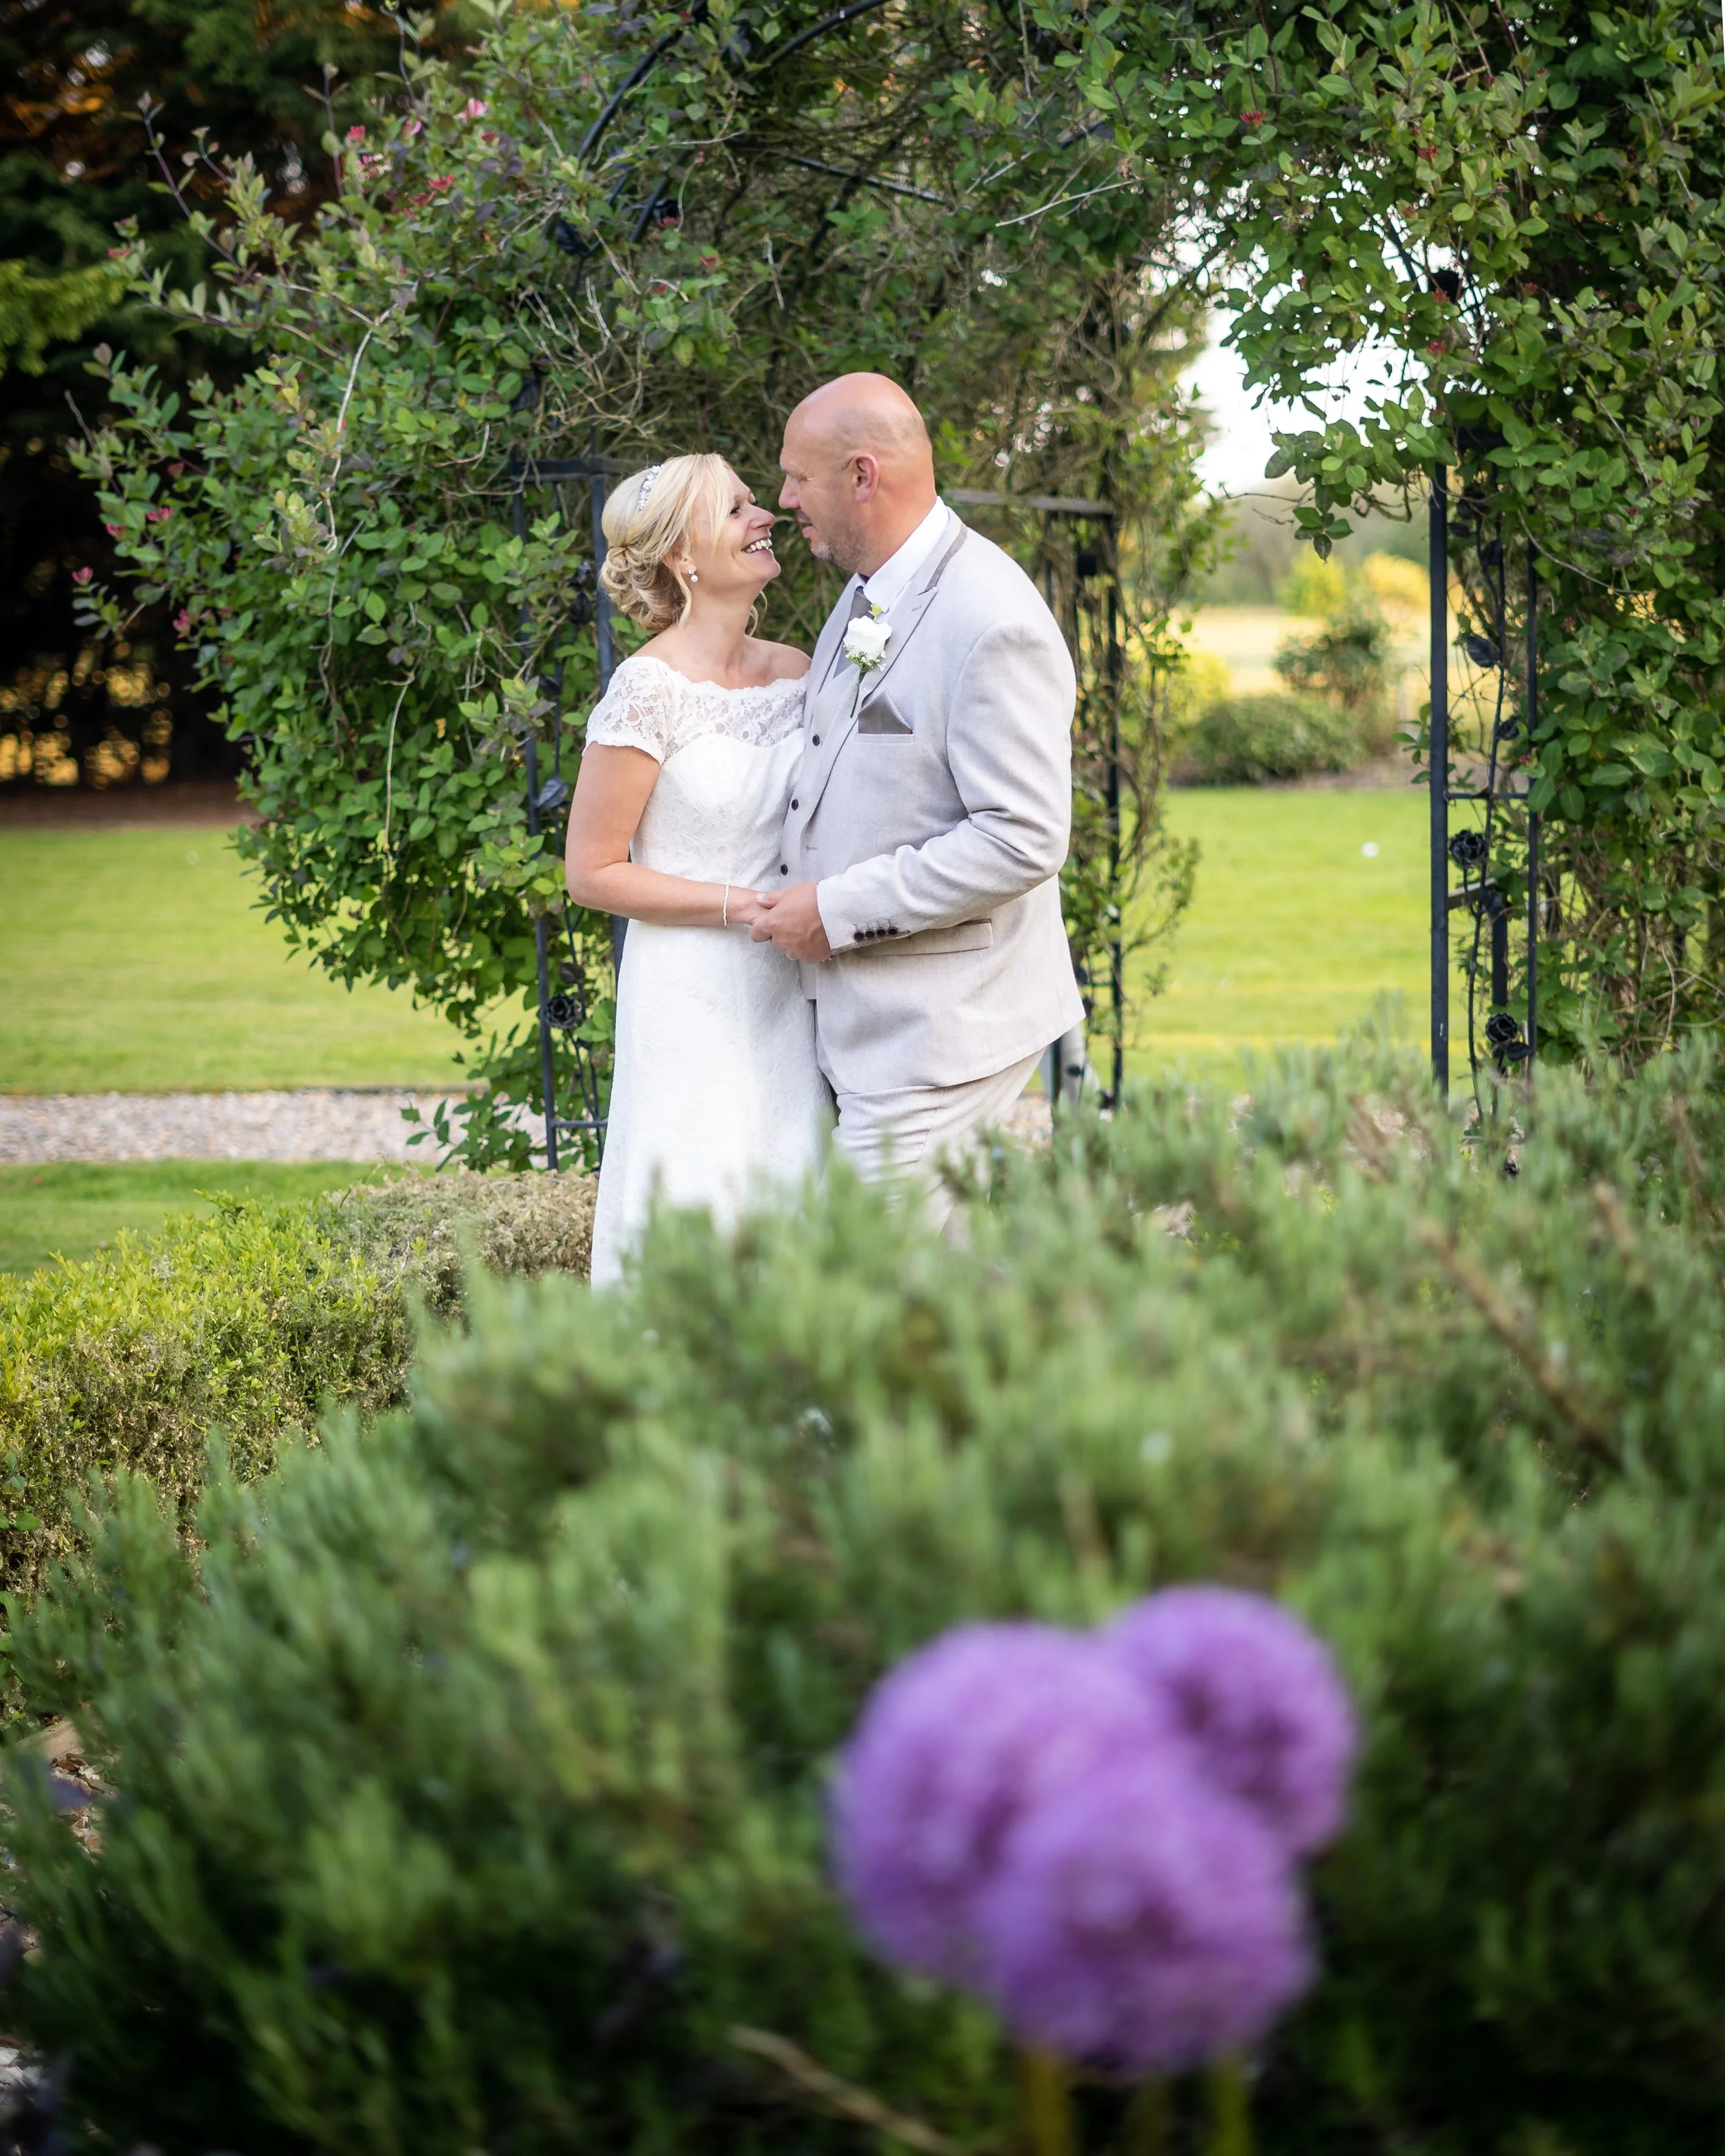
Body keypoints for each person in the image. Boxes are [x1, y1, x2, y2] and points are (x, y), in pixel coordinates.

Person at [752, 373, 1084, 1223]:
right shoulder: (866, 597)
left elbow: (1023, 836)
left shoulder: (989, 617)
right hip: (867, 1027)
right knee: (939, 1301)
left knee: (857, 1301)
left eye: (797, 476)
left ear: (862, 475)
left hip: (938, 1031)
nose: (783, 498)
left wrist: (837, 906)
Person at [565, 453, 826, 1287]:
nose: (765, 517)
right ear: (683, 555)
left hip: (793, 984)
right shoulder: (646, 690)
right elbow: (593, 871)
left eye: (758, 502)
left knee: (796, 1193)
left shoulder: (798, 673)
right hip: (690, 991)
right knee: (699, 1203)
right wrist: (738, 905)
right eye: (737, 509)